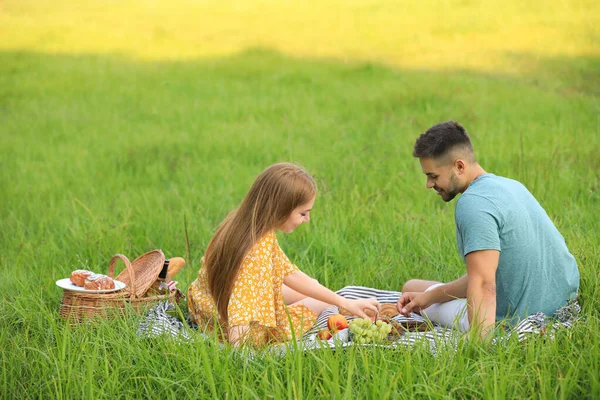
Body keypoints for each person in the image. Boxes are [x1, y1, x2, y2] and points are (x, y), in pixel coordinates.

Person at [397, 121, 580, 339]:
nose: (428, 184)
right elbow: (493, 268)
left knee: (412, 291)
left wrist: (478, 345)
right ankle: (431, 295)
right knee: (415, 289)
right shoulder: (511, 186)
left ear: (459, 166)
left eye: (433, 176)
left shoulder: (473, 203)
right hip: (561, 303)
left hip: (516, 317)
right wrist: (432, 296)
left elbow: (484, 284)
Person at [188, 163, 380, 346]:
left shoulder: (243, 223)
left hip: (204, 308)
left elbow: (289, 274)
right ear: (280, 210)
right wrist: (242, 358)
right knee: (320, 300)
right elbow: (241, 310)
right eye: (303, 213)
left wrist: (345, 301)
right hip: (229, 327)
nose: (307, 220)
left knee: (308, 286)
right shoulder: (256, 251)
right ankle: (342, 305)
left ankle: (345, 303)